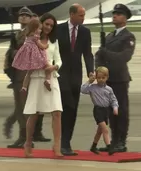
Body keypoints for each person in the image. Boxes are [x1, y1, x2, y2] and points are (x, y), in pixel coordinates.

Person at [3, 6, 50, 149]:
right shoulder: (18, 34)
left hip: (25, 75)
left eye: (26, 15)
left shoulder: (32, 35)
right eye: (21, 15)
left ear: (31, 19)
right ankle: (24, 137)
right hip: (17, 75)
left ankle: (25, 138)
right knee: (20, 107)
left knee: (24, 108)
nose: (23, 17)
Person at [95, 4, 136, 153]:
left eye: (118, 14)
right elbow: (99, 55)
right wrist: (99, 70)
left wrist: (107, 54)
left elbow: (124, 57)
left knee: (121, 111)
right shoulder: (110, 36)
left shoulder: (128, 37)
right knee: (111, 112)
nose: (114, 16)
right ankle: (114, 140)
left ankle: (121, 142)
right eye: (114, 13)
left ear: (125, 18)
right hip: (108, 79)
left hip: (120, 79)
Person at [21, 13, 63, 158]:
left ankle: (57, 146)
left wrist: (54, 67)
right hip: (37, 77)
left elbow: (59, 59)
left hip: (52, 78)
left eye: (52, 26)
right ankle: (28, 144)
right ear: (41, 23)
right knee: (34, 114)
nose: (49, 28)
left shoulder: (54, 41)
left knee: (57, 112)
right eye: (47, 24)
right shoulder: (33, 39)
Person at [57, 3, 94, 156]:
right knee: (67, 106)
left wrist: (91, 70)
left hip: (76, 76)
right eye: (81, 15)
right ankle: (61, 142)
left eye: (84, 15)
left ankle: (66, 143)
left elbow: (87, 53)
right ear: (71, 14)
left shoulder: (85, 32)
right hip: (60, 74)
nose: (83, 18)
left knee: (73, 110)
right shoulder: (59, 30)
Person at [80, 67, 119, 155]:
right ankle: (110, 147)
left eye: (103, 78)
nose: (101, 80)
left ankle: (93, 146)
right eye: (99, 78)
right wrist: (89, 81)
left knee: (100, 131)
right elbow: (82, 90)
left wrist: (115, 108)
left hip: (106, 111)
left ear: (107, 77)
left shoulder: (109, 89)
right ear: (96, 78)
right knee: (105, 130)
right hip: (98, 110)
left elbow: (113, 99)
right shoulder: (92, 88)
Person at [12, 18, 52, 92]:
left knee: (29, 73)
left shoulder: (27, 36)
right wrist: (46, 46)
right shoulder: (35, 37)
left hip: (30, 58)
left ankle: (24, 87)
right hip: (37, 57)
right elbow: (41, 46)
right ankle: (48, 80)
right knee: (48, 67)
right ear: (34, 29)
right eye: (39, 29)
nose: (40, 30)